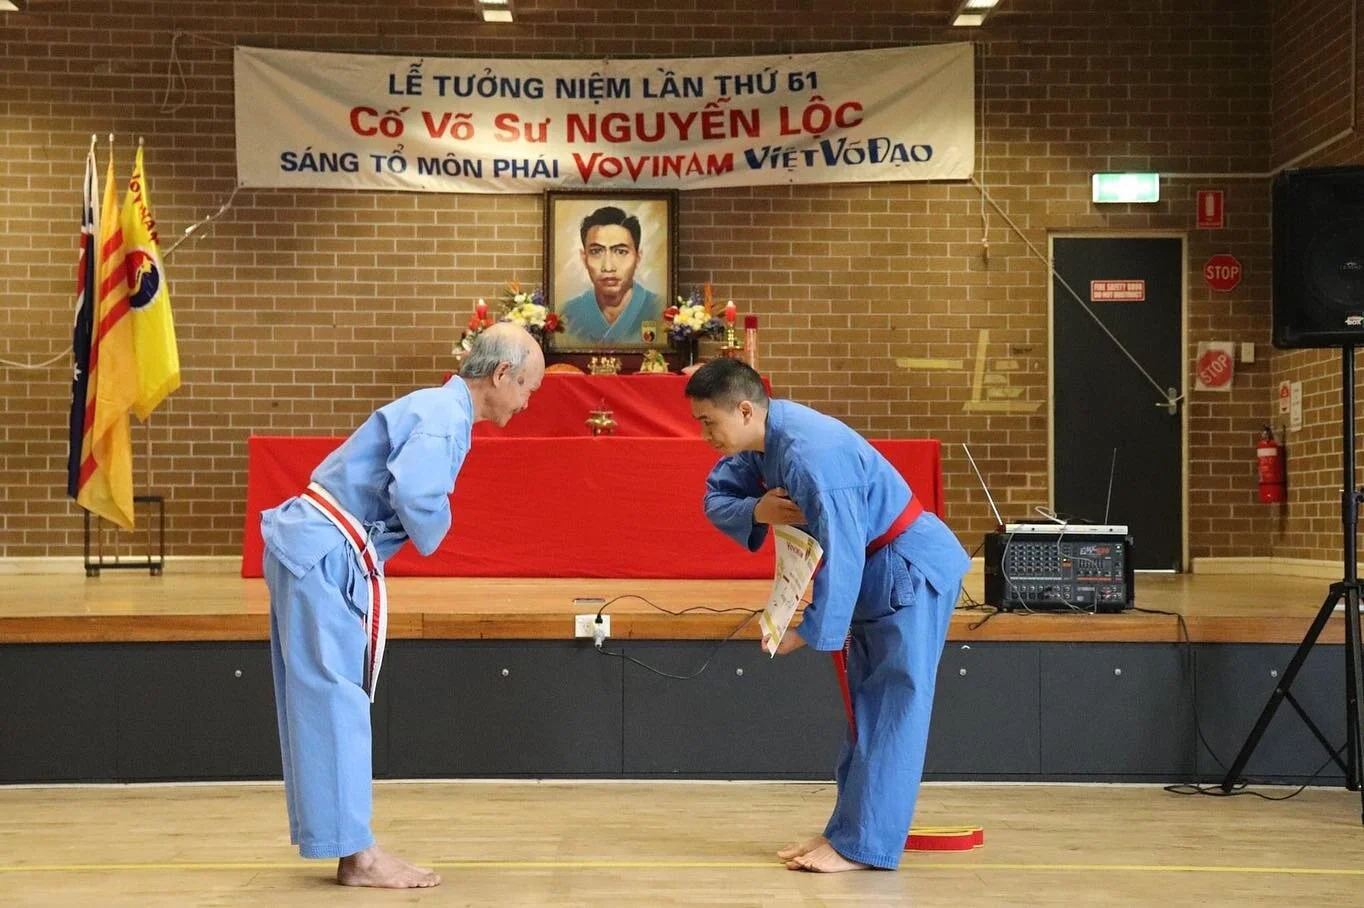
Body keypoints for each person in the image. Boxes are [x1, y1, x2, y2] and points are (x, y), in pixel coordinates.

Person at [260, 323, 545, 889]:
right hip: (326, 552)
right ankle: (358, 857)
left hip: (314, 546)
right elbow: (415, 494)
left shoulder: (437, 408)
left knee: (323, 700)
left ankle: (348, 848)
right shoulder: (442, 416)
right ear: (501, 375)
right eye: (527, 388)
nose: (527, 402)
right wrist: (438, 531)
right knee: (335, 700)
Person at [685, 358, 970, 874]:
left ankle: (863, 846)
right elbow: (716, 497)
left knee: (891, 709)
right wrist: (757, 510)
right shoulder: (762, 441)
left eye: (709, 422)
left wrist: (811, 630)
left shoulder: (811, 454)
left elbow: (845, 549)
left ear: (744, 410)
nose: (703, 435)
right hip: (877, 570)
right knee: (865, 708)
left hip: (907, 569)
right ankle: (847, 833)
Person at [558, 205, 663, 344]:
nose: (608, 267)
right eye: (596, 251)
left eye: (621, 252)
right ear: (584, 258)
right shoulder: (567, 315)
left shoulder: (659, 310)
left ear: (638, 257)